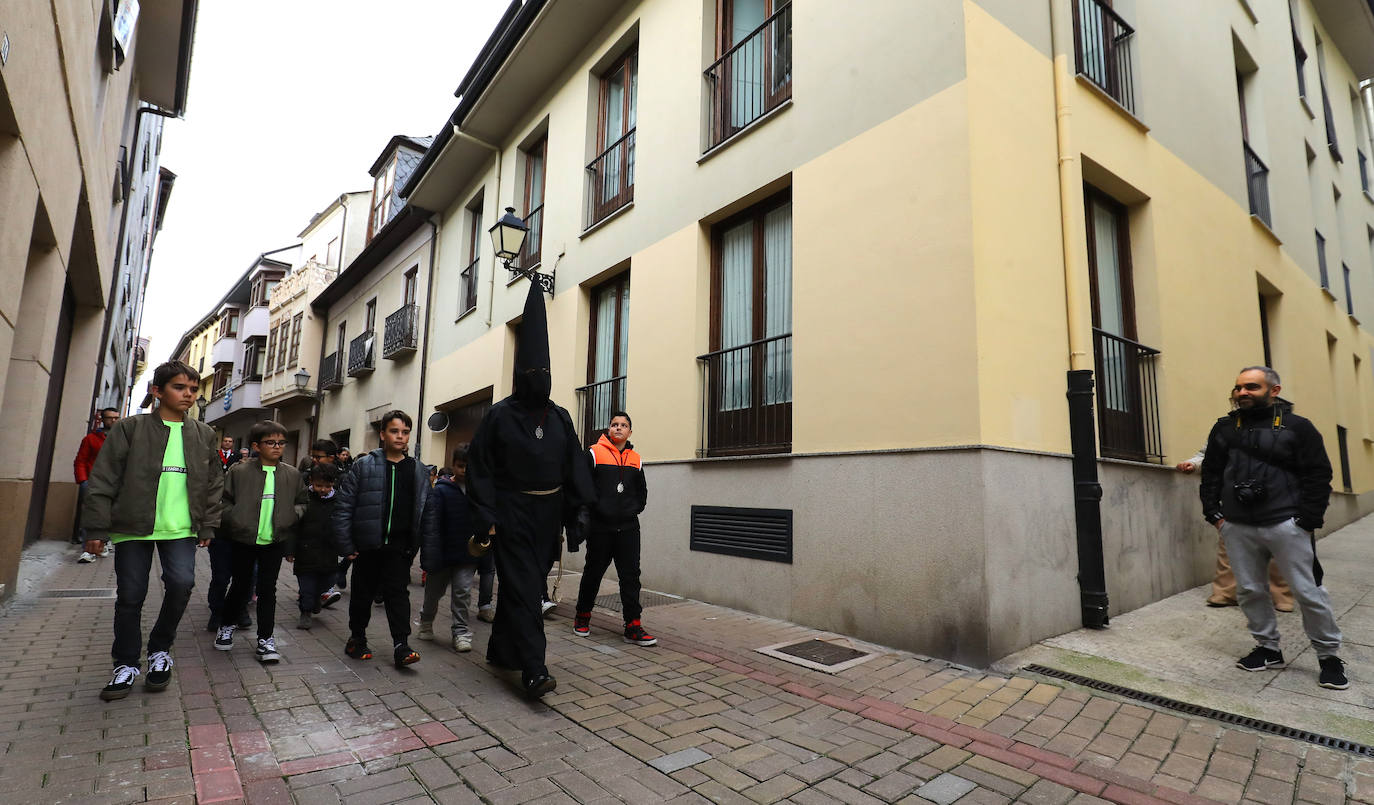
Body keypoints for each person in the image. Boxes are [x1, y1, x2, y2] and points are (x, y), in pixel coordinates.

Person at [468, 280, 594, 699]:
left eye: (544, 372)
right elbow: (481, 468)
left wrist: (577, 514)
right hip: (511, 514)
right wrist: (486, 515)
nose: (538, 378)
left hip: (547, 517)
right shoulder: (500, 416)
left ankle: (502, 651)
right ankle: (534, 669)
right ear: (520, 372)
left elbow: (575, 465)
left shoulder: (559, 418)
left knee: (526, 586)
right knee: (524, 589)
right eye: (531, 372)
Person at [1199, 366, 1347, 689]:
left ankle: (1329, 657)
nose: (1242, 393)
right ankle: (1267, 648)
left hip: (1286, 524)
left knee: (1308, 592)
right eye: (1238, 387)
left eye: (1251, 387)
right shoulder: (1224, 428)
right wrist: (1214, 514)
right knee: (1249, 590)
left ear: (1274, 391)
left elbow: (1318, 474)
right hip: (1236, 526)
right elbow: (1211, 471)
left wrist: (1307, 521)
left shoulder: (1298, 427)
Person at [83, 361, 222, 701]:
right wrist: (98, 527)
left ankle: (160, 650)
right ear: (157, 391)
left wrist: (208, 524)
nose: (188, 395)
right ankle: (126, 663)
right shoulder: (130, 428)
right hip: (133, 526)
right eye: (179, 387)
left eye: (192, 389)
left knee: (182, 584)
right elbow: (104, 478)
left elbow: (214, 483)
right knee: (131, 596)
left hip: (180, 529)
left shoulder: (203, 434)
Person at [333, 411, 431, 668]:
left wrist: (419, 545)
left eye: (405, 432)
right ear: (383, 434)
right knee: (362, 594)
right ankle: (357, 638)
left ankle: (401, 645)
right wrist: (346, 545)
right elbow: (345, 506)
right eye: (394, 431)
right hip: (367, 545)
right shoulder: (364, 466)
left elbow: (424, 511)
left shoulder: (417, 470)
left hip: (399, 547)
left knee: (398, 594)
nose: (400, 436)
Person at [214, 422, 306, 664]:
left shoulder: (292, 474)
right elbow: (224, 500)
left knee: (268, 589)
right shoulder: (239, 472)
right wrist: (234, 519)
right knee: (240, 585)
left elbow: (302, 502)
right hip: (244, 538)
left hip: (274, 540)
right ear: (256, 446)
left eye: (281, 443)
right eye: (271, 442)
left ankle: (265, 639)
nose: (277, 447)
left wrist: (291, 516)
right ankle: (227, 625)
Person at [572, 412, 656, 646]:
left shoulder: (636, 459)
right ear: (609, 429)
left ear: (630, 431)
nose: (618, 428)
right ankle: (582, 616)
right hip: (601, 527)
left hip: (628, 527)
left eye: (624, 425)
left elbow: (642, 492)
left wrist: (635, 508)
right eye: (614, 424)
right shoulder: (593, 453)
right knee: (593, 573)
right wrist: (595, 510)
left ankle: (633, 625)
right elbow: (583, 485)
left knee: (630, 577)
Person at [1179, 442, 1293, 611]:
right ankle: (1225, 592)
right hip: (1236, 496)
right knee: (1230, 545)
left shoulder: (1283, 427)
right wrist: (1194, 464)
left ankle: (1281, 596)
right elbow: (1209, 455)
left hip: (1275, 496)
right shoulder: (1227, 428)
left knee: (1277, 547)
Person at [418, 445, 482, 652]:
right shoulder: (441, 491)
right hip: (442, 554)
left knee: (462, 593)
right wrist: (430, 554)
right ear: (453, 465)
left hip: (467, 554)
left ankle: (461, 632)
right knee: (433, 593)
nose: (465, 470)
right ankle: (426, 623)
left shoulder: (478, 491)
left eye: (469, 466)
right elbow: (431, 524)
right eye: (460, 466)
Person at [292, 463, 343, 629]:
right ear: (311, 481)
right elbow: (293, 526)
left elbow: (344, 524)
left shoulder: (339, 501)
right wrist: (290, 550)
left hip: (329, 552)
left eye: (327, 486)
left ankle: (316, 598)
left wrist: (345, 546)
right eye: (319, 485)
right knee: (306, 586)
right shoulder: (303, 498)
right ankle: (305, 612)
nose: (323, 489)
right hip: (305, 552)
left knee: (328, 580)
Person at [75, 408, 120, 562]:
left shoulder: (122, 439)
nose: (114, 421)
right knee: (91, 515)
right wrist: (83, 481)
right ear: (102, 420)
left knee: (110, 513)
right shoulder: (90, 439)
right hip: (93, 483)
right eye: (110, 418)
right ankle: (88, 551)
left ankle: (105, 542)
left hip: (115, 483)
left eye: (116, 418)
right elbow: (81, 461)